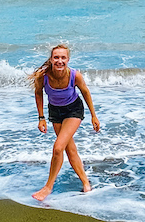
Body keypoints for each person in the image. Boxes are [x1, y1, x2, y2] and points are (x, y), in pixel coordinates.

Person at [31, 43, 102, 201]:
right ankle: (86, 182)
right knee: (69, 149)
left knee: (58, 147)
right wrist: (41, 117)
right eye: (56, 57)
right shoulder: (43, 76)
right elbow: (38, 93)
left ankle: (48, 187)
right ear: (51, 59)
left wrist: (93, 116)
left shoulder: (75, 75)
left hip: (74, 110)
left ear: (68, 59)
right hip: (55, 112)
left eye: (63, 57)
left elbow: (85, 92)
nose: (59, 61)